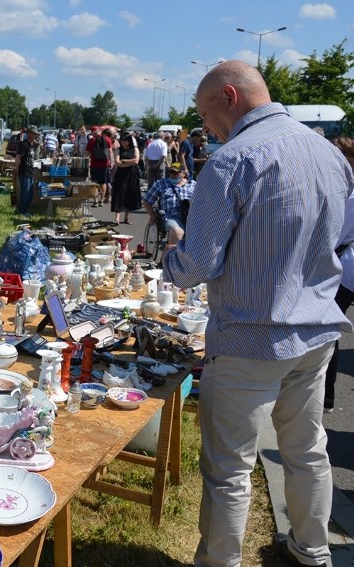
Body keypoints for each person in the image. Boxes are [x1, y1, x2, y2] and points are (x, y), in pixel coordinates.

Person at [160, 60, 354, 567]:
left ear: (230, 96)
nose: (204, 126)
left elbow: (197, 264)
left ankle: (220, 562)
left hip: (252, 336)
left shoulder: (231, 161)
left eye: (205, 113)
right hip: (315, 331)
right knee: (308, 449)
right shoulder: (330, 155)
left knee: (229, 469)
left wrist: (172, 255)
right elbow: (340, 240)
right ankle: (312, 550)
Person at [324, 136, 354, 413]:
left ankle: (326, 397)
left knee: (328, 329)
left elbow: (334, 235)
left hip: (348, 271)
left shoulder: (349, 192)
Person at [142, 162, 195, 247]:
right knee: (177, 232)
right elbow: (147, 200)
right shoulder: (161, 184)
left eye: (176, 173)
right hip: (172, 216)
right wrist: (152, 215)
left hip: (192, 216)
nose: (172, 175)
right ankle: (172, 257)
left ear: (183, 173)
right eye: (171, 172)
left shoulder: (193, 185)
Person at [110, 135, 142, 224]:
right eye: (122, 140)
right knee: (119, 194)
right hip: (121, 174)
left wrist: (124, 161)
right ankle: (117, 218)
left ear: (129, 141)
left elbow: (136, 161)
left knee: (130, 194)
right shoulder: (118, 150)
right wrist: (129, 162)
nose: (123, 142)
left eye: (125, 140)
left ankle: (126, 217)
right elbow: (117, 163)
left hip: (132, 174)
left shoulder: (135, 149)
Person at [14, 125, 39, 218]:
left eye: (36, 134)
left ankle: (25, 211)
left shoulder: (32, 145)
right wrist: (16, 169)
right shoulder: (24, 144)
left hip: (30, 172)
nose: (35, 135)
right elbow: (18, 157)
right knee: (25, 193)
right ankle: (22, 212)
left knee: (30, 193)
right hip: (24, 172)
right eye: (33, 134)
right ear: (29, 134)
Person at [86, 127, 113, 207]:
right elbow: (110, 151)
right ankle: (101, 200)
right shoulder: (107, 139)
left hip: (94, 165)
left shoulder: (91, 140)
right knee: (103, 182)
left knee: (94, 182)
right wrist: (111, 161)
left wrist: (90, 156)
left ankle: (95, 201)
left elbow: (87, 153)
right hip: (105, 164)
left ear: (93, 132)